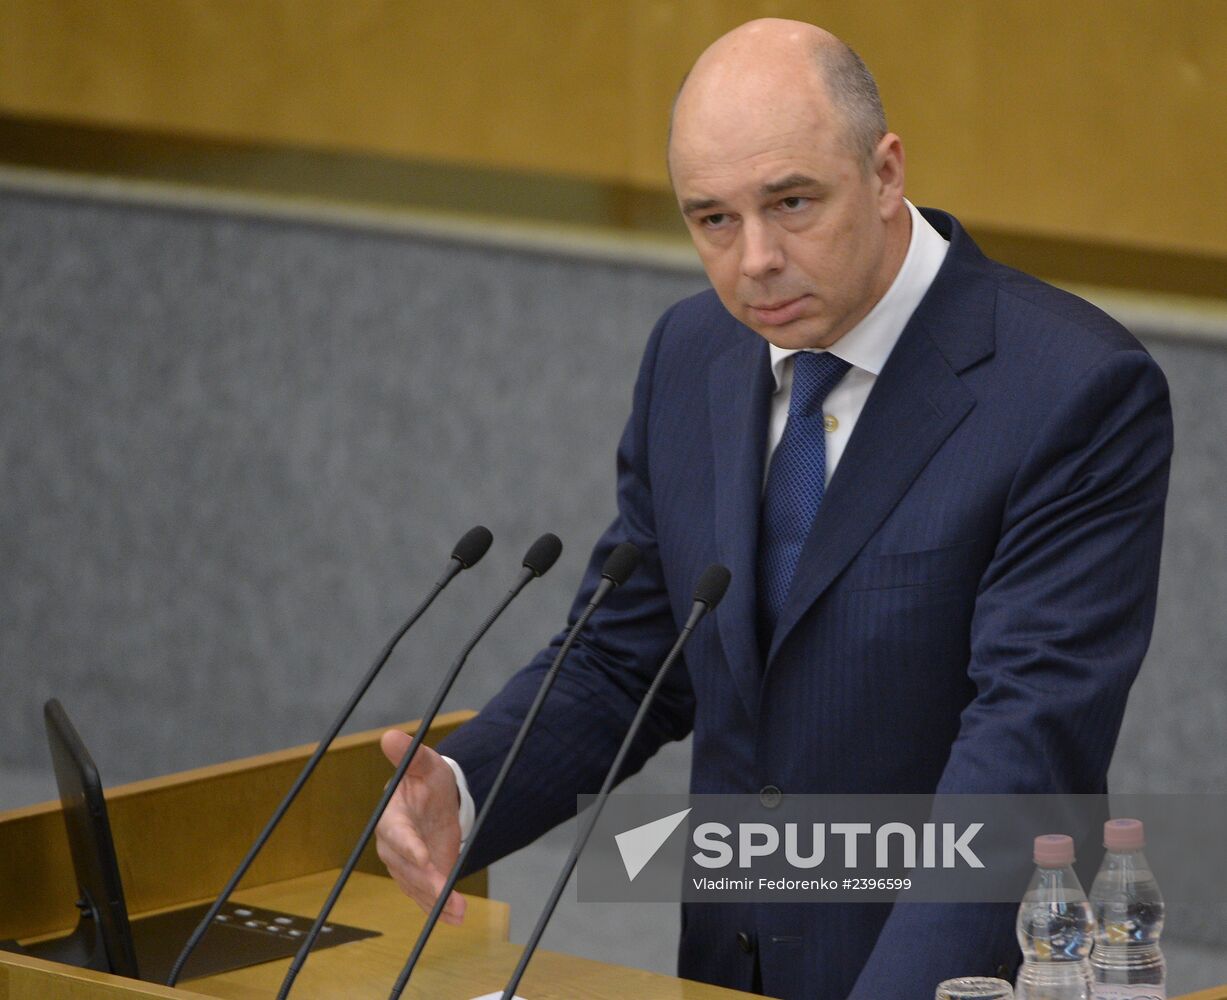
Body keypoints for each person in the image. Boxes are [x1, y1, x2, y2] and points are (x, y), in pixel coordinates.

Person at [375, 18, 1172, 999]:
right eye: (712, 219)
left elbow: (1024, 753)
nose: (754, 260)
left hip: (941, 971)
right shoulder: (693, 354)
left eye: (792, 203)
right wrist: (466, 789)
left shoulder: (1069, 390)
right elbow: (632, 650)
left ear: (885, 173)